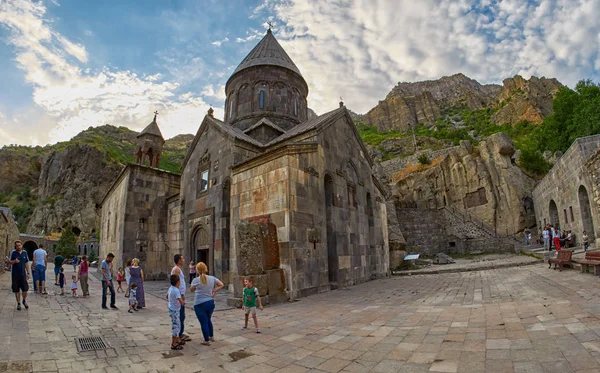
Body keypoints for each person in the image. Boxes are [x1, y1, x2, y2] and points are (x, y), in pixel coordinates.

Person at [190, 262, 224, 345]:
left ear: (197, 270)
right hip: (210, 302)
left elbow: (191, 290)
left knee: (203, 322)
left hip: (199, 303)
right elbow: (221, 284)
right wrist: (214, 290)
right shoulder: (212, 278)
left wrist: (195, 287)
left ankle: (206, 340)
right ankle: (211, 336)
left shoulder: (196, 280)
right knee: (208, 320)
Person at [171, 255, 190, 342]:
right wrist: (178, 296)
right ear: (179, 260)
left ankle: (180, 333)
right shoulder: (176, 269)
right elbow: (175, 282)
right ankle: (179, 335)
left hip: (180, 294)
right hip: (179, 295)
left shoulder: (178, 269)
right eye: (182, 258)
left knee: (182, 315)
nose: (184, 260)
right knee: (180, 315)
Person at [8, 240, 31, 310]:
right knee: (16, 290)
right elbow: (8, 262)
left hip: (23, 274)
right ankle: (18, 303)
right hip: (15, 274)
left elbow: (26, 263)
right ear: (15, 246)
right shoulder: (13, 253)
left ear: (22, 245)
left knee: (25, 289)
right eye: (17, 246)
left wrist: (28, 273)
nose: (18, 247)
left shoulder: (24, 253)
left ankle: (24, 300)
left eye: (19, 245)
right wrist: (14, 261)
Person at [168, 275, 185, 350]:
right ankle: (173, 343)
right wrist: (183, 302)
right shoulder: (176, 290)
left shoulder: (170, 288)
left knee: (177, 324)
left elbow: (166, 296)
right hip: (175, 310)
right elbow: (181, 301)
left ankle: (177, 339)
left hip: (171, 308)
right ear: (178, 282)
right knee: (176, 326)